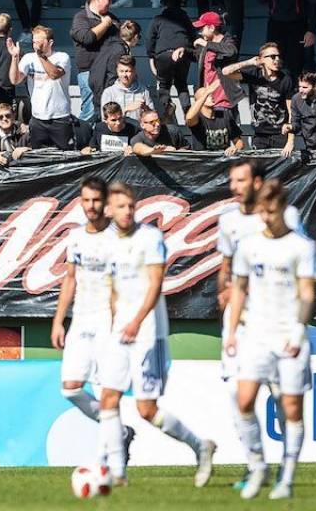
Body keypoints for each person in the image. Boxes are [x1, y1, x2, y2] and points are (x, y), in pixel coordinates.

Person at [96, 182, 216, 487]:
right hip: (120, 332)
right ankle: (117, 473)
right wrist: (114, 323)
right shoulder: (105, 242)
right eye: (121, 207)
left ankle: (199, 445)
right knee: (108, 398)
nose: (127, 211)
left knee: (146, 410)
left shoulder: (150, 238)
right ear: (109, 210)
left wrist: (136, 321)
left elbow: (155, 285)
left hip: (149, 332)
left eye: (131, 206)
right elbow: (112, 288)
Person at [225, 180, 316, 500]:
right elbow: (239, 289)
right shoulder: (248, 245)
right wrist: (232, 331)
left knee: (291, 407)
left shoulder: (302, 247)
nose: (266, 218)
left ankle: (286, 477)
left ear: (283, 208)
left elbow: (307, 293)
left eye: (272, 212)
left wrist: (298, 330)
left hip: (289, 334)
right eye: (262, 212)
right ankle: (257, 466)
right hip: (257, 333)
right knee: (243, 400)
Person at [50, 178, 121, 433]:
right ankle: (120, 432)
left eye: (96, 200)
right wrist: (58, 321)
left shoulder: (117, 237)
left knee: (105, 389)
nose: (90, 206)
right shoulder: (76, 236)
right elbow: (70, 278)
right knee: (70, 389)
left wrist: (117, 324)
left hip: (106, 319)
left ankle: (113, 446)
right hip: (81, 318)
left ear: (105, 202)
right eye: (86, 200)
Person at [8, 26, 73, 150]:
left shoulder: (62, 57)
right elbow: (15, 80)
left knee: (65, 154)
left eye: (39, 42)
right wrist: (15, 58)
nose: (35, 45)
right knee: (38, 154)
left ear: (50, 43)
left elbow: (54, 74)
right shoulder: (29, 58)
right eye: (34, 41)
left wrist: (41, 56)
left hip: (59, 117)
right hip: (37, 118)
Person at [223, 44, 294, 150]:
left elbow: (292, 112)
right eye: (272, 56)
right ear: (262, 59)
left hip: (280, 135)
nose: (277, 59)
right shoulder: (254, 74)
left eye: (278, 56)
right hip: (260, 135)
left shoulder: (285, 79)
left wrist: (290, 141)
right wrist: (249, 62)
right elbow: (226, 72)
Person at [68, 0, 116, 123]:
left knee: (109, 111)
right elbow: (87, 38)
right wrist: (105, 24)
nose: (111, 3)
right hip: (89, 72)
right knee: (90, 111)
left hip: (109, 73)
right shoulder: (81, 17)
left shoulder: (112, 18)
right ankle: (82, 136)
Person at [185, 79, 243, 155]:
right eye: (208, 96)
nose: (211, 96)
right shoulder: (198, 118)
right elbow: (189, 118)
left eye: (211, 94)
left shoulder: (225, 115)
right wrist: (206, 93)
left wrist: (235, 148)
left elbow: (238, 141)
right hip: (203, 160)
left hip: (223, 159)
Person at [100, 55, 152, 123]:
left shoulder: (143, 90)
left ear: (134, 71)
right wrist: (126, 109)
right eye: (121, 71)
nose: (124, 75)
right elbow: (105, 120)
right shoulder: (109, 92)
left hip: (138, 128)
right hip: (118, 128)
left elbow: (153, 117)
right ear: (117, 71)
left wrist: (146, 108)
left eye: (127, 71)